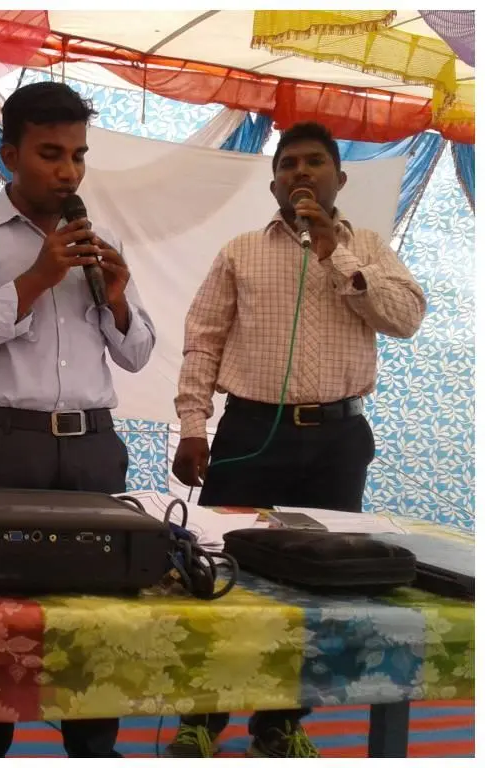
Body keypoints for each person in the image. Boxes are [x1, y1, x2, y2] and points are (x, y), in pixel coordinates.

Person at [169, 121, 426, 758]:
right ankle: (202, 719)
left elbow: (406, 319)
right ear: (273, 182)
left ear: (340, 178)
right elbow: (203, 340)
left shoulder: (369, 247)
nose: (301, 173)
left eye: (314, 162)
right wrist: (194, 425)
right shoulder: (239, 251)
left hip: (338, 440)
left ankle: (281, 723)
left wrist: (336, 255)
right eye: (288, 164)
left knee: (322, 581)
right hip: (250, 432)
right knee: (223, 571)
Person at [0, 80, 157, 758]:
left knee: (98, 626)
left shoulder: (100, 241)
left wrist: (117, 300)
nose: (68, 172)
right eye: (50, 154)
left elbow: (137, 355)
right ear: (9, 155)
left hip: (94, 450)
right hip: (4, 449)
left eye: (78, 156)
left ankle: (93, 747)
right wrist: (33, 280)